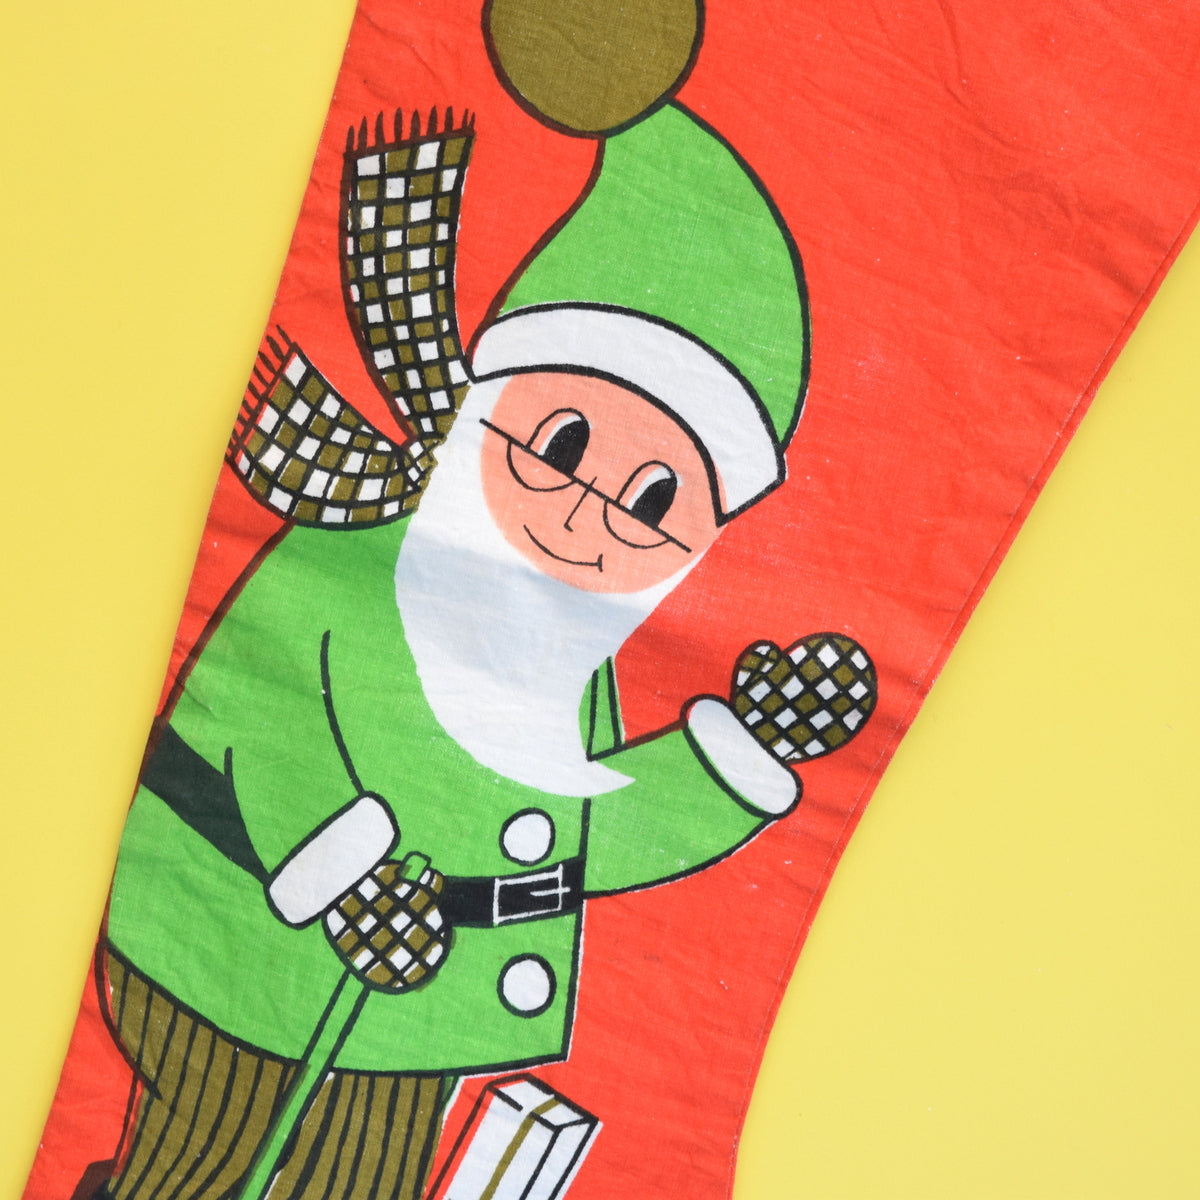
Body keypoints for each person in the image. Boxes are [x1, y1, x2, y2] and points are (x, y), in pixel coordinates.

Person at [94, 94, 841, 1200]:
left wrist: (732, 760)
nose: (590, 513)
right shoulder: (355, 559)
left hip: (422, 1026)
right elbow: (261, 708)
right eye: (563, 447)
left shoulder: (570, 676)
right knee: (204, 1156)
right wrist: (344, 880)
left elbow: (593, 829)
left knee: (370, 1180)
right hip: (229, 950)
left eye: (652, 504)